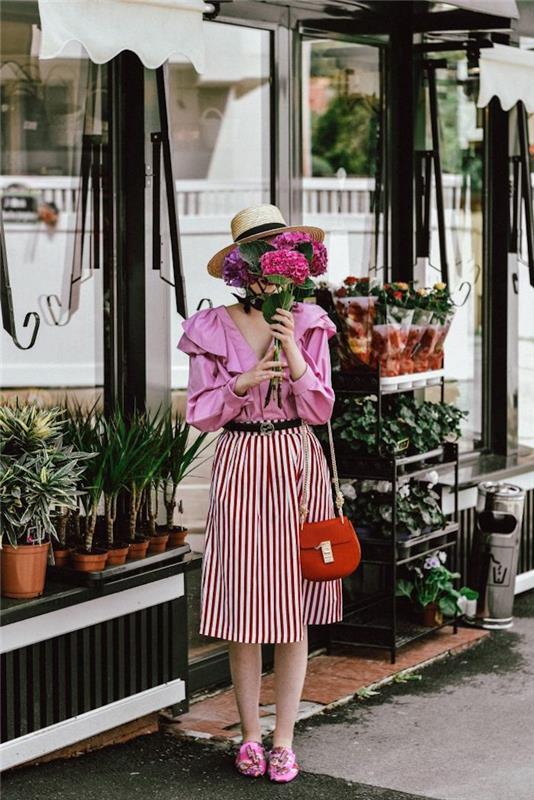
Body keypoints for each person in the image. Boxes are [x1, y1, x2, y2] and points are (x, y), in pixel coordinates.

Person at [177, 204, 343, 783]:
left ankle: (284, 739)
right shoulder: (212, 326)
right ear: (242, 269)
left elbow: (321, 407)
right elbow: (199, 413)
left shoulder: (312, 320)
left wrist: (292, 350)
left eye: (284, 260)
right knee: (245, 611)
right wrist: (242, 382)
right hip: (242, 462)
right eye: (260, 260)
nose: (275, 274)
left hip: (297, 462)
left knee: (292, 612)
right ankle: (248, 734)